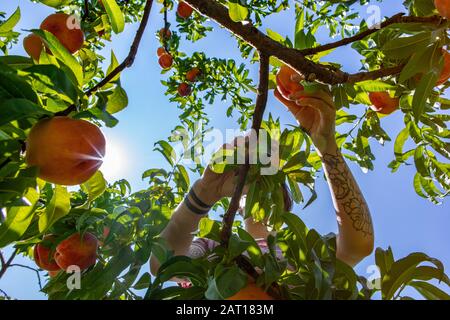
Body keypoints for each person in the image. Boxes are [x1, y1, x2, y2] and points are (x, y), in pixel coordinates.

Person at [150, 86, 374, 280]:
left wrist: (327, 146)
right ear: (236, 205)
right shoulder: (214, 246)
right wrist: (203, 193)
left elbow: (357, 246)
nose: (256, 185)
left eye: (267, 182)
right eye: (249, 180)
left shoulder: (302, 251)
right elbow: (163, 266)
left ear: (284, 200)